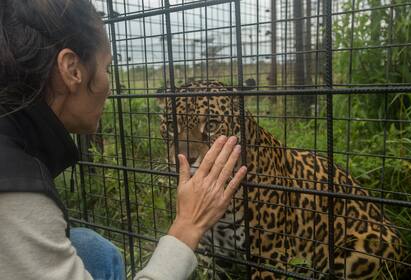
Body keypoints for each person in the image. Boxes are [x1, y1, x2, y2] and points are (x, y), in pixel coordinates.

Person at [0, 1, 247, 280]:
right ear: (72, 70)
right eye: (107, 67)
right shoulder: (16, 192)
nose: (108, 84)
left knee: (92, 250)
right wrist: (187, 226)